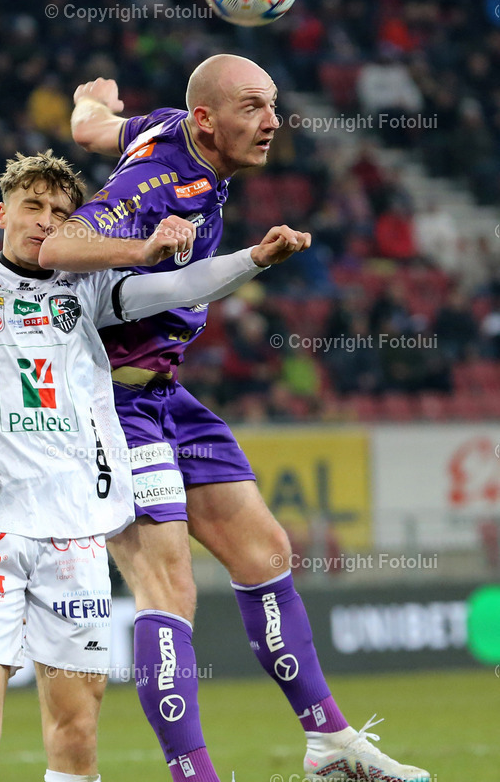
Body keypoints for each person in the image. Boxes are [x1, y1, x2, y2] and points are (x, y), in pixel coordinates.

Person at [38, 56, 430, 782]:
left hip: (162, 393)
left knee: (264, 552)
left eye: (274, 104)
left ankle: (329, 743)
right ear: (206, 120)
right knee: (169, 589)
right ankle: (196, 776)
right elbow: (56, 246)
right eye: (253, 107)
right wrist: (142, 249)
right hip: (107, 403)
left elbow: (97, 128)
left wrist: (87, 108)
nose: (273, 121)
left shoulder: (164, 130)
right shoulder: (156, 182)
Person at [0, 149, 309, 782]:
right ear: (2, 213)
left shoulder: (89, 286)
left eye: (59, 212)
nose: (45, 221)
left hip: (76, 532)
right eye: (32, 207)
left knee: (76, 733)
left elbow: (180, 285)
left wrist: (254, 259)